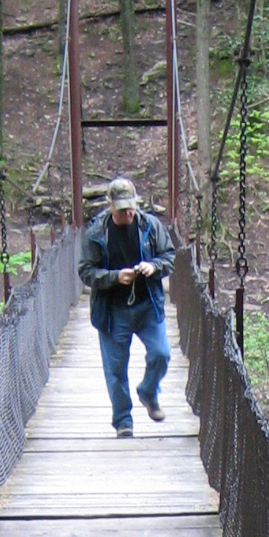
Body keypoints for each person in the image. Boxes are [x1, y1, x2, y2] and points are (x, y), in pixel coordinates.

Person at [78, 176, 175, 438]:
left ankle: (148, 392)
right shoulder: (97, 233)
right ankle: (123, 420)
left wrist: (154, 267)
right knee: (116, 369)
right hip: (112, 311)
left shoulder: (150, 225)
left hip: (147, 305)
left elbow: (169, 256)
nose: (128, 213)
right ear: (110, 207)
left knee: (161, 354)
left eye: (131, 206)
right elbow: (86, 272)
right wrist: (113, 277)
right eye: (122, 209)